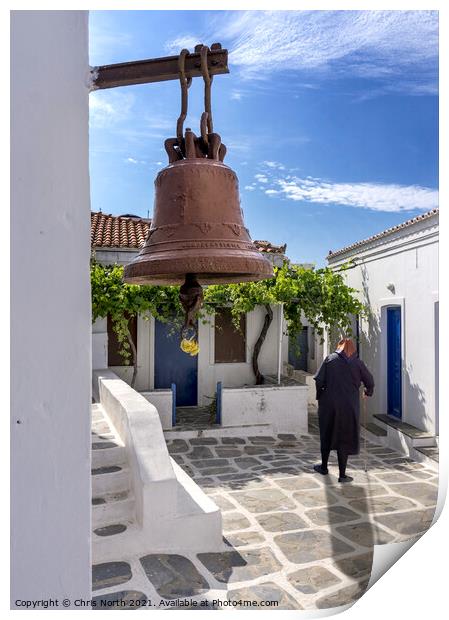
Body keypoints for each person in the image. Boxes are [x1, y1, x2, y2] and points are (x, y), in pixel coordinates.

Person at [313, 338, 374, 483]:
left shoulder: (329, 359)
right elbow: (370, 381)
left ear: (338, 347)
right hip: (349, 407)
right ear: (353, 350)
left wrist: (320, 396)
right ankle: (342, 475)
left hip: (329, 405)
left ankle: (324, 467)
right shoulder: (358, 364)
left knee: (326, 433)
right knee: (344, 438)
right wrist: (368, 391)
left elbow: (319, 380)